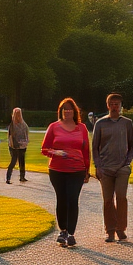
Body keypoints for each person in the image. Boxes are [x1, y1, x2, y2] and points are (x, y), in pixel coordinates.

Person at [41, 98, 90, 247]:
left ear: (74, 111)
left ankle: (71, 233)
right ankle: (63, 230)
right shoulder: (54, 127)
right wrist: (56, 153)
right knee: (62, 199)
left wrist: (87, 170)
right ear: (60, 112)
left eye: (70, 109)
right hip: (57, 170)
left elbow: (86, 151)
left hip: (77, 170)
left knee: (72, 199)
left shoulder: (81, 128)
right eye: (64, 109)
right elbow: (44, 149)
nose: (67, 111)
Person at [92, 93, 133, 243]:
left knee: (122, 197)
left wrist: (127, 163)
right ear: (107, 105)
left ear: (121, 105)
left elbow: (131, 145)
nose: (114, 106)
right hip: (105, 167)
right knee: (108, 199)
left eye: (117, 104)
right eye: (112, 103)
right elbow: (95, 147)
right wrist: (98, 166)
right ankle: (110, 230)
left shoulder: (127, 123)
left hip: (122, 167)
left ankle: (121, 228)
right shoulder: (100, 123)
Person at [5, 107, 30, 184]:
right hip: (14, 146)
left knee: (22, 161)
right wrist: (14, 145)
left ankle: (22, 177)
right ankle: (8, 178)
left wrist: (25, 142)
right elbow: (10, 137)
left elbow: (26, 134)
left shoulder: (24, 124)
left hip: (22, 146)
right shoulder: (12, 125)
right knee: (13, 161)